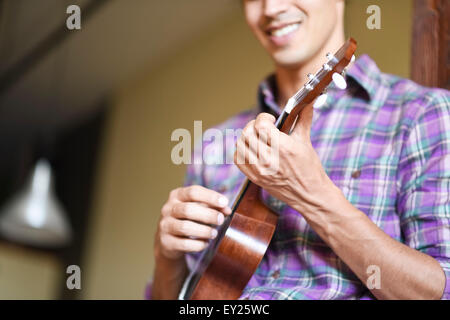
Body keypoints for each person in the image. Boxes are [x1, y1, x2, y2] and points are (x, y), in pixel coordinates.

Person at [150, 0, 450, 299]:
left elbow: (439, 291)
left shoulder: (421, 114)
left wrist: (314, 196)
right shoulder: (214, 145)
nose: (271, 8)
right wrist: (167, 258)